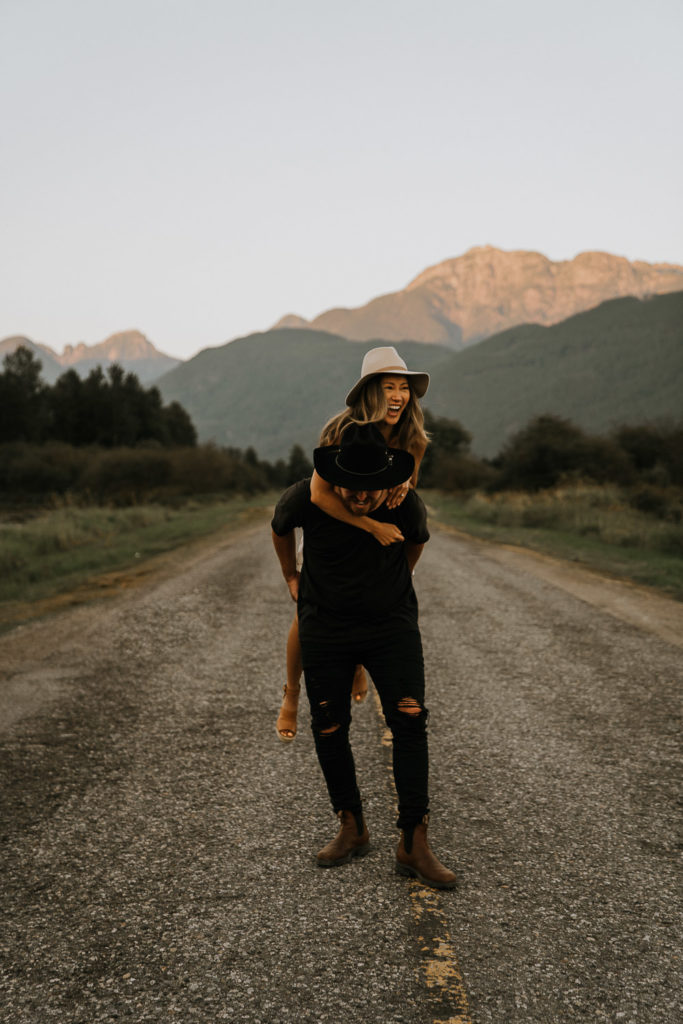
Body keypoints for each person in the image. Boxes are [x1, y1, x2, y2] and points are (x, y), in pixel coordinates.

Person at [271, 423, 456, 889]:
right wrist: (292, 576)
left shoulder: (404, 503)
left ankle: (414, 843)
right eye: (349, 486)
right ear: (335, 477)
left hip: (390, 626)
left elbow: (417, 542)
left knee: (410, 719)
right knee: (329, 725)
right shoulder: (305, 497)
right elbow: (279, 527)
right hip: (326, 627)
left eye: (368, 488)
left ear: (385, 481)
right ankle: (351, 826)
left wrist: (395, 584)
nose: (358, 496)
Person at [275, 346, 430, 741]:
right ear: (370, 392)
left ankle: (358, 665)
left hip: (376, 525)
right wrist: (372, 527)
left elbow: (409, 491)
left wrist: (401, 488)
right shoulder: (341, 430)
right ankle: (291, 695)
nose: (398, 396)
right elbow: (318, 495)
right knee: (309, 611)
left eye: (404, 388)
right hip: (337, 523)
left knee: (371, 605)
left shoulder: (414, 436)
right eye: (389, 387)